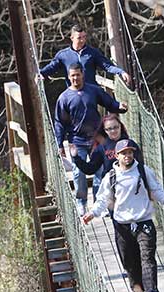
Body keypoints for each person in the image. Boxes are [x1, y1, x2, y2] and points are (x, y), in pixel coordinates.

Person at [82, 139, 164, 292]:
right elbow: (103, 199)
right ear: (116, 155)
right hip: (122, 226)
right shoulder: (111, 177)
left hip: (144, 222)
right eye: (124, 153)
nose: (128, 156)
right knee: (129, 263)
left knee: (147, 258)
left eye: (130, 152)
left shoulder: (143, 171)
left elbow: (156, 191)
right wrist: (92, 213)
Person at [55, 62, 128, 215]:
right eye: (72, 75)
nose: (75, 78)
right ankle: (81, 202)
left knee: (100, 172)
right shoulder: (64, 98)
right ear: (69, 77)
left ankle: (98, 204)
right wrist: (59, 143)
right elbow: (60, 122)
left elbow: (109, 103)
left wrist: (119, 106)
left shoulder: (93, 91)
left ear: (83, 74)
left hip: (97, 139)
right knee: (78, 172)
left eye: (78, 75)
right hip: (77, 140)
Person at [69, 114, 143, 196]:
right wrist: (76, 157)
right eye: (109, 129)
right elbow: (90, 169)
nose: (113, 131)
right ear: (105, 130)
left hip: (131, 187)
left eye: (116, 127)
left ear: (120, 126)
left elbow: (140, 166)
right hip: (112, 190)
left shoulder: (130, 144)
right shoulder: (102, 148)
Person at [38, 24, 131, 86]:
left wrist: (121, 72)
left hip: (91, 92)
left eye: (84, 37)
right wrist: (40, 73)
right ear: (72, 38)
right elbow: (51, 68)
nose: (82, 40)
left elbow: (107, 66)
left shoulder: (93, 53)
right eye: (79, 38)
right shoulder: (63, 55)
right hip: (73, 94)